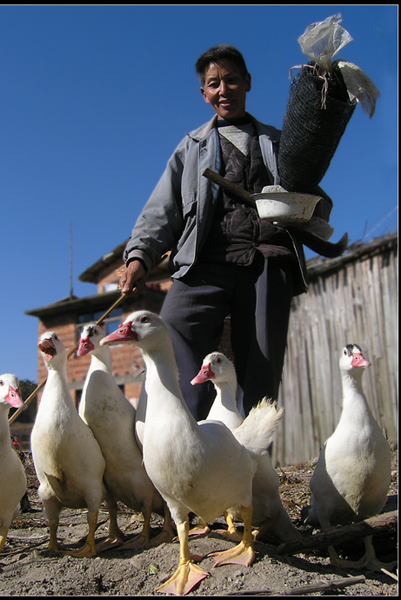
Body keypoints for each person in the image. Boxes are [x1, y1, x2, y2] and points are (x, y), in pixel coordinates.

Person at [119, 44, 332, 421]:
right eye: (214, 83)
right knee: (176, 331)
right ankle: (182, 445)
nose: (224, 90)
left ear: (247, 83)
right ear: (203, 94)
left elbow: (316, 201)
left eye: (231, 80)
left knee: (260, 364)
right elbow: (161, 210)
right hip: (204, 263)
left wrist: (301, 202)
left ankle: (251, 463)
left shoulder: (279, 143)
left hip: (268, 260)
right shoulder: (192, 147)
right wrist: (139, 257)